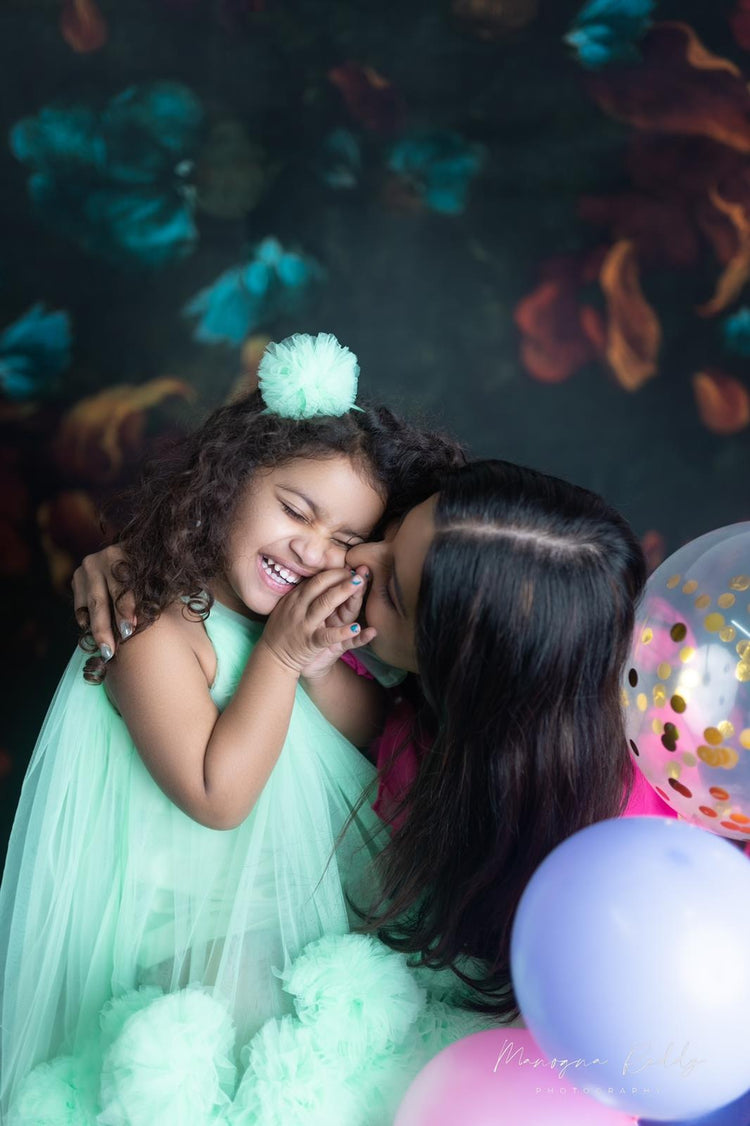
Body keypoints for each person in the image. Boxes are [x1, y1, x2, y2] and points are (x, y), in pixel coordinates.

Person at [0, 333, 467, 1118]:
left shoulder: (284, 622)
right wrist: (281, 660)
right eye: (295, 509)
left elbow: (361, 742)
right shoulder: (151, 625)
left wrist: (314, 661)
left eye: (347, 541)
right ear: (230, 478)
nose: (313, 549)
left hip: (296, 921)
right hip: (179, 949)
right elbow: (217, 795)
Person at [72, 456, 652, 1025]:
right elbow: (376, 738)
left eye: (393, 589)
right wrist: (138, 556)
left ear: (454, 674)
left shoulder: (586, 857)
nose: (357, 557)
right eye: (388, 532)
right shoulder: (360, 576)